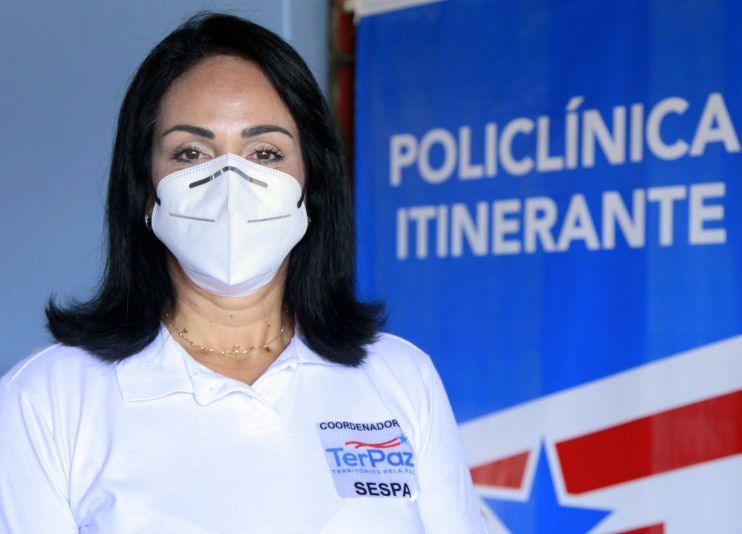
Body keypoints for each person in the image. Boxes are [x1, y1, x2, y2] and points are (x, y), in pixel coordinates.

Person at [0, 12, 486, 534]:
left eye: (265, 153)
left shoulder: (399, 377)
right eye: (191, 152)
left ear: (311, 183)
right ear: (145, 188)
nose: (231, 180)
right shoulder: (48, 399)